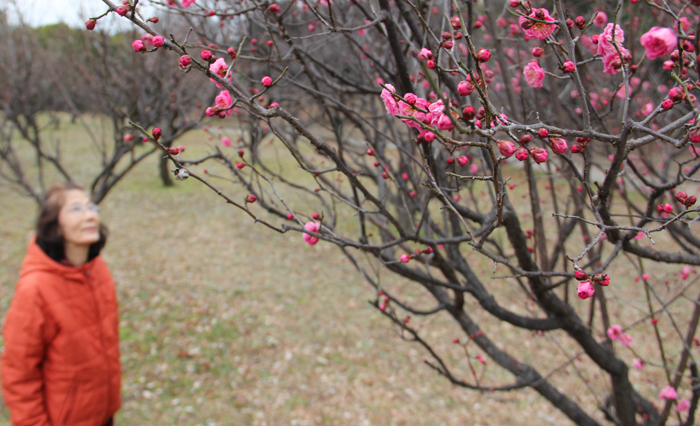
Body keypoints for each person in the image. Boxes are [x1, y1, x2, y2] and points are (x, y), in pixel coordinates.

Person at [1, 182, 121, 426]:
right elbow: (18, 373)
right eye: (76, 209)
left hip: (103, 411)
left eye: (91, 207)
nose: (90, 215)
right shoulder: (34, 289)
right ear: (55, 227)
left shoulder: (97, 269)